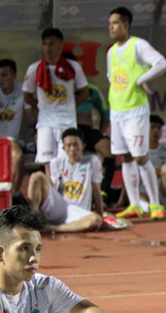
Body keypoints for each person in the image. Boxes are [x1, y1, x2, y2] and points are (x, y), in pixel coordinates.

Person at [107, 6, 166, 220]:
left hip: (135, 110)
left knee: (140, 157)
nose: (111, 27)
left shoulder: (138, 45)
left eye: (115, 23)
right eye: (109, 24)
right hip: (117, 110)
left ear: (126, 24)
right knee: (125, 157)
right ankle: (134, 204)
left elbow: (162, 64)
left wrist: (141, 79)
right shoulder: (111, 51)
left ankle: (155, 204)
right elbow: (111, 77)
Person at [22, 28, 89, 171]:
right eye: (45, 44)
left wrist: (70, 106)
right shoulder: (34, 69)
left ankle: (67, 187)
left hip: (67, 123)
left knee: (67, 163)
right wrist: (40, 105)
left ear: (61, 45)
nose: (48, 48)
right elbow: (27, 96)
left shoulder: (73, 67)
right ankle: (50, 187)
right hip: (45, 123)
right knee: (48, 164)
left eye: (52, 44)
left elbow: (85, 93)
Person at [62, 52, 117, 203]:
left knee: (108, 149)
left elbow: (105, 114)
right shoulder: (56, 89)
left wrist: (99, 132)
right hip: (64, 131)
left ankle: (103, 191)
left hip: (86, 131)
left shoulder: (91, 90)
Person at [27, 128, 103, 233]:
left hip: (78, 211)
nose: (72, 149)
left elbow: (96, 190)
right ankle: (33, 223)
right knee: (37, 176)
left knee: (95, 220)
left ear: (83, 146)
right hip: (60, 205)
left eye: (75, 145)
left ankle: (52, 228)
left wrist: (101, 215)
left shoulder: (92, 161)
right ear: (64, 148)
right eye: (69, 146)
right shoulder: (56, 163)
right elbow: (52, 190)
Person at [0, 59, 34, 204]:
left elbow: (30, 120)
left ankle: (14, 194)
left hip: (9, 139)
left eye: (4, 75)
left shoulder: (22, 92)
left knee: (18, 156)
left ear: (13, 75)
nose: (1, 79)